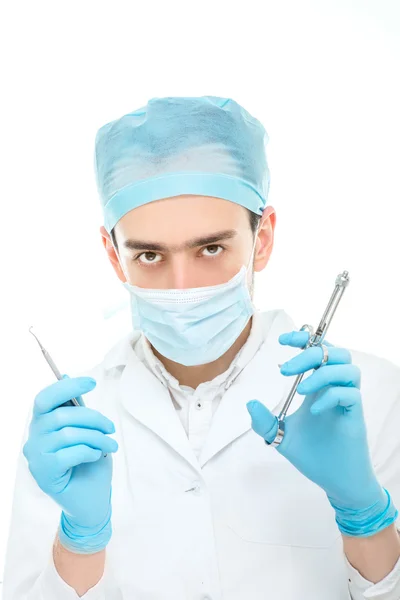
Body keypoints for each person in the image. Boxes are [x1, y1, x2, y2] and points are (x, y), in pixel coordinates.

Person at [2, 96, 400, 600]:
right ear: (113, 254)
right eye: (149, 255)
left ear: (263, 238)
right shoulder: (71, 426)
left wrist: (366, 514)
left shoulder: (371, 396)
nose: (181, 285)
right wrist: (80, 543)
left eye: (210, 248)